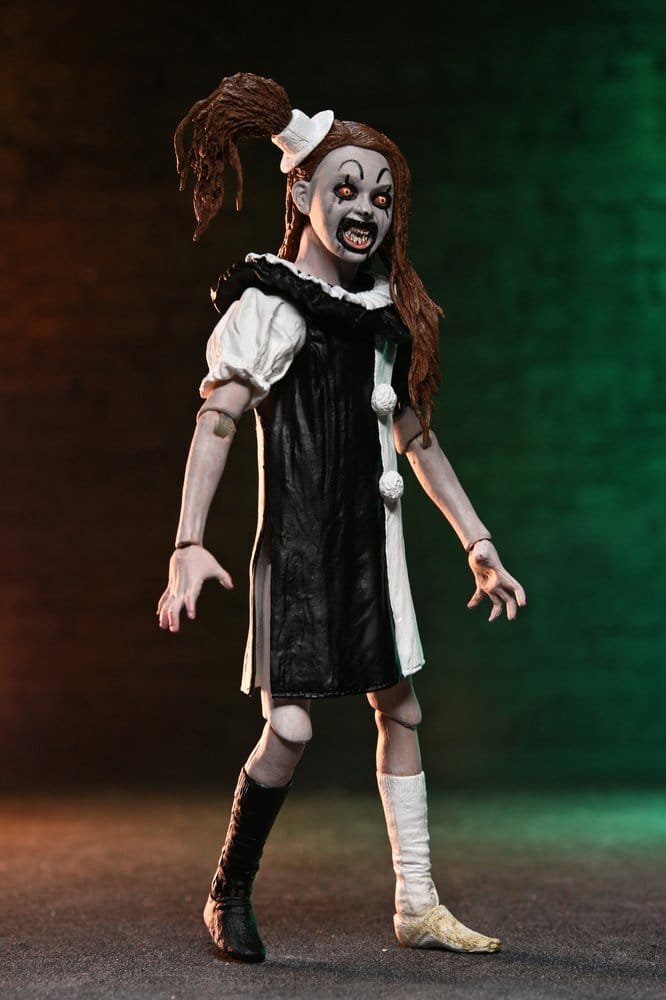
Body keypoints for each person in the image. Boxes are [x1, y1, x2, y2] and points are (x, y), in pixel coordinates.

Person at [157, 72, 526, 964]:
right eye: (347, 188)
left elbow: (418, 441)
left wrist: (477, 541)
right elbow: (218, 417)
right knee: (289, 728)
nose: (365, 209)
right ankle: (228, 890)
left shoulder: (381, 317)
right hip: (297, 550)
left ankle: (418, 903)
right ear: (301, 194)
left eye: (381, 197)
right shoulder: (271, 305)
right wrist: (188, 542)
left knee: (401, 709)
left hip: (372, 549)